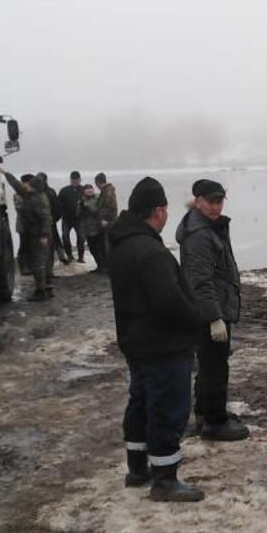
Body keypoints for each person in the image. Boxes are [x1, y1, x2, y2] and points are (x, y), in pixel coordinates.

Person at [109, 176, 205, 501]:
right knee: (168, 409)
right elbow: (169, 302)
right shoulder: (150, 251)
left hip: (137, 343)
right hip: (163, 345)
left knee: (141, 403)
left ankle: (137, 469)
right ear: (159, 211)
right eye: (165, 209)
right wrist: (196, 323)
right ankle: (165, 480)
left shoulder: (122, 245)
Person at [176, 178, 247, 441]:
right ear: (199, 201)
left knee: (210, 362)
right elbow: (200, 281)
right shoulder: (199, 236)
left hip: (215, 305)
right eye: (212, 201)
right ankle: (215, 423)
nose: (217, 206)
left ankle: (205, 412)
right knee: (215, 365)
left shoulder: (208, 225)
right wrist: (214, 317)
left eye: (220, 201)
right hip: (210, 310)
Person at [0, 169, 54, 300]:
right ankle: (47, 287)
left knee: (40, 263)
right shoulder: (28, 193)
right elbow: (16, 184)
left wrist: (44, 236)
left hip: (40, 234)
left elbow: (46, 218)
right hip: (33, 233)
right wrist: (5, 173)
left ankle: (42, 291)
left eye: (29, 184)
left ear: (34, 187)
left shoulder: (40, 200)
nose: (26, 185)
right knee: (41, 261)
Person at [88, 172, 118, 272]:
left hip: (109, 222)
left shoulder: (108, 192)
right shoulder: (105, 191)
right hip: (106, 222)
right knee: (104, 244)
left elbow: (110, 207)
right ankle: (106, 267)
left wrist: (105, 219)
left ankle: (110, 268)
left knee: (108, 245)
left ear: (97, 183)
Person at [58, 170, 87, 263]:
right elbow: (58, 204)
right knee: (65, 237)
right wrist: (61, 214)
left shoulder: (84, 190)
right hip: (67, 219)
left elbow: (90, 202)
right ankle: (69, 255)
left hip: (80, 219)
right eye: (73, 180)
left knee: (81, 237)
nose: (75, 182)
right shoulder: (64, 191)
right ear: (70, 180)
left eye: (77, 180)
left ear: (80, 179)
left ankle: (81, 257)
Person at [39, 172, 66, 266]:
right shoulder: (50, 191)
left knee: (51, 240)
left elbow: (56, 206)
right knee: (55, 239)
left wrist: (55, 218)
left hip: (47, 220)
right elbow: (57, 206)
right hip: (50, 219)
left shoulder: (43, 192)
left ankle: (58, 258)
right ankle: (61, 257)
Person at [79, 183, 102, 251]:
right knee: (93, 250)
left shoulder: (99, 198)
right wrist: (81, 208)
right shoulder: (82, 200)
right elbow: (78, 215)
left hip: (98, 229)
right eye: (87, 189)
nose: (89, 190)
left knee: (101, 249)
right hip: (87, 230)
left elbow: (100, 211)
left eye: (90, 188)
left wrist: (89, 209)